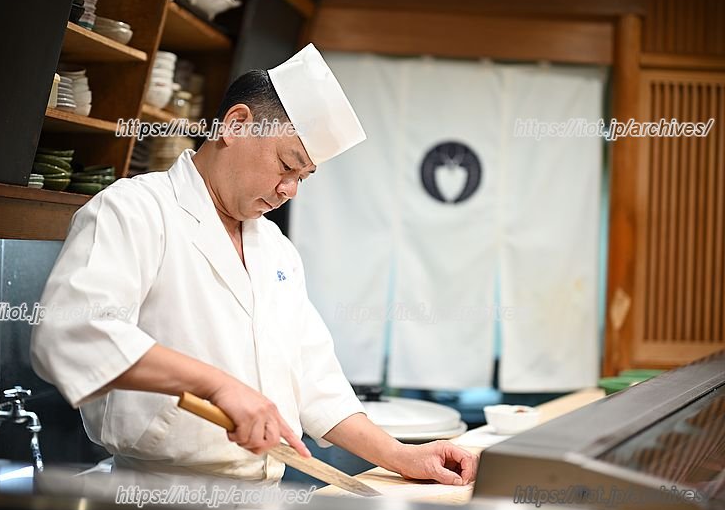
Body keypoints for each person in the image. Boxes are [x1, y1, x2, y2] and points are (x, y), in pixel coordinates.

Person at [31, 44, 478, 485]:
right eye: (287, 165)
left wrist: (401, 456)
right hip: (154, 495)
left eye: (302, 177)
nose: (290, 190)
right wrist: (218, 385)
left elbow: (315, 380)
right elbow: (70, 333)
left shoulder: (275, 248)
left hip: (259, 497)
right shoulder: (135, 209)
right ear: (237, 124)